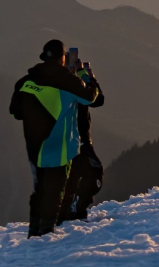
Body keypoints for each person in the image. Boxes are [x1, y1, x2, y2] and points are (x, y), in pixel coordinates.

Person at [9, 40, 101, 237]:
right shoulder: (69, 81)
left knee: (39, 190)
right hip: (60, 146)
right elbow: (91, 97)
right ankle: (46, 233)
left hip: (34, 145)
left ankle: (34, 232)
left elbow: (15, 111)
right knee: (54, 190)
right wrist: (85, 76)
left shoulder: (26, 81)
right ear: (62, 59)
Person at [58, 62, 105, 223]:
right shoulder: (70, 85)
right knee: (92, 173)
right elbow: (97, 99)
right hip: (75, 141)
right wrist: (84, 75)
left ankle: (69, 213)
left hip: (73, 140)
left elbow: (98, 99)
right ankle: (73, 211)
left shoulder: (76, 85)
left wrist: (88, 78)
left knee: (73, 177)